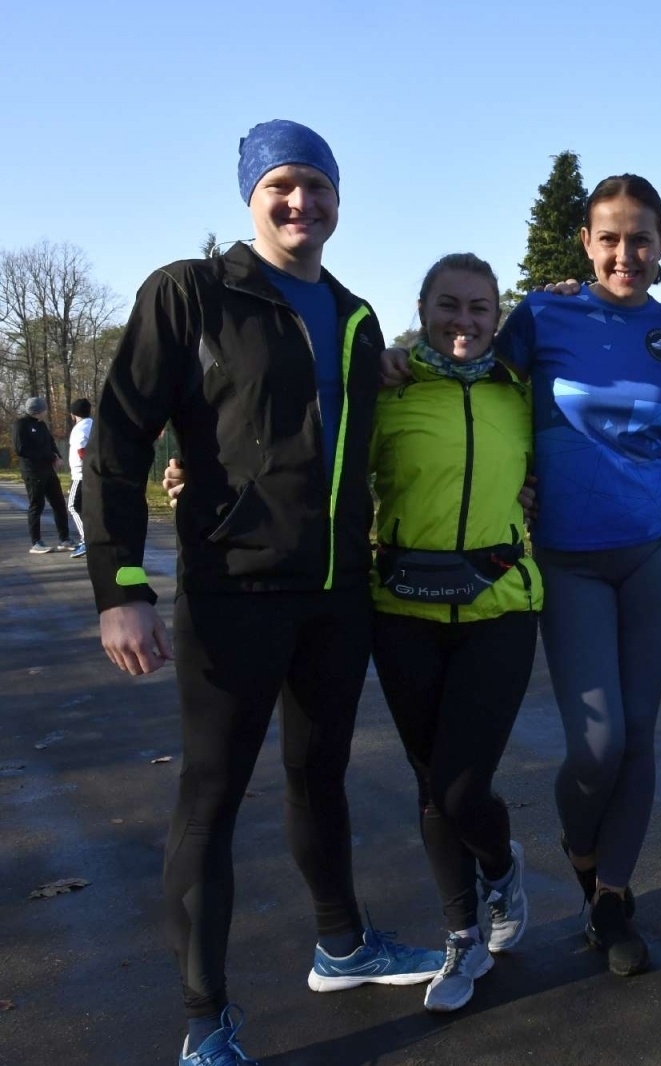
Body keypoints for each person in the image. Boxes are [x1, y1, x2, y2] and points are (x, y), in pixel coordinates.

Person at [84, 119, 441, 1066]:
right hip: (233, 592)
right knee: (211, 801)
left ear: (338, 199)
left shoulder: (359, 317)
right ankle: (206, 1022)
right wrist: (121, 584)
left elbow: (383, 403)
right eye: (282, 184)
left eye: (317, 186)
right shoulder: (194, 292)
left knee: (320, 778)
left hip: (335, 594)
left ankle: (344, 944)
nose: (301, 202)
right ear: (251, 195)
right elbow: (118, 445)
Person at [494, 174, 661, 977]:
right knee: (598, 743)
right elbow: (472, 383)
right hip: (568, 554)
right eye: (609, 238)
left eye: (641, 238)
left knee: (640, 735)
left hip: (656, 546)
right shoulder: (542, 313)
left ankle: (613, 898)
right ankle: (582, 853)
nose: (626, 253)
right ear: (585, 242)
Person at [368, 253, 543, 1012]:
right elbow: (312, 464)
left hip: (500, 606)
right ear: (423, 307)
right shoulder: (387, 389)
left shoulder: (522, 394)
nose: (464, 321)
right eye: (449, 305)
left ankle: (502, 867)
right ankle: (462, 939)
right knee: (431, 789)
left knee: (459, 783)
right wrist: (192, 477)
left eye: (480, 308)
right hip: (402, 609)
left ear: (497, 316)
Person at [11, 396, 72, 554]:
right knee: (37, 506)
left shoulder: (41, 424)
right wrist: (49, 456)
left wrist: (57, 456)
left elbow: (50, 443)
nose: (46, 411)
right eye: (44, 408)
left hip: (48, 470)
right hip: (33, 471)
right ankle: (36, 542)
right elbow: (21, 449)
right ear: (37, 410)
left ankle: (64, 539)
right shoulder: (21, 425)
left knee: (59, 503)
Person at [66, 398, 93, 558]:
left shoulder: (80, 428)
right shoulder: (93, 425)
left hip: (81, 474)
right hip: (90, 474)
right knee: (88, 508)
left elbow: (82, 449)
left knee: (73, 506)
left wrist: (86, 466)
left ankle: (86, 540)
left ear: (73, 414)